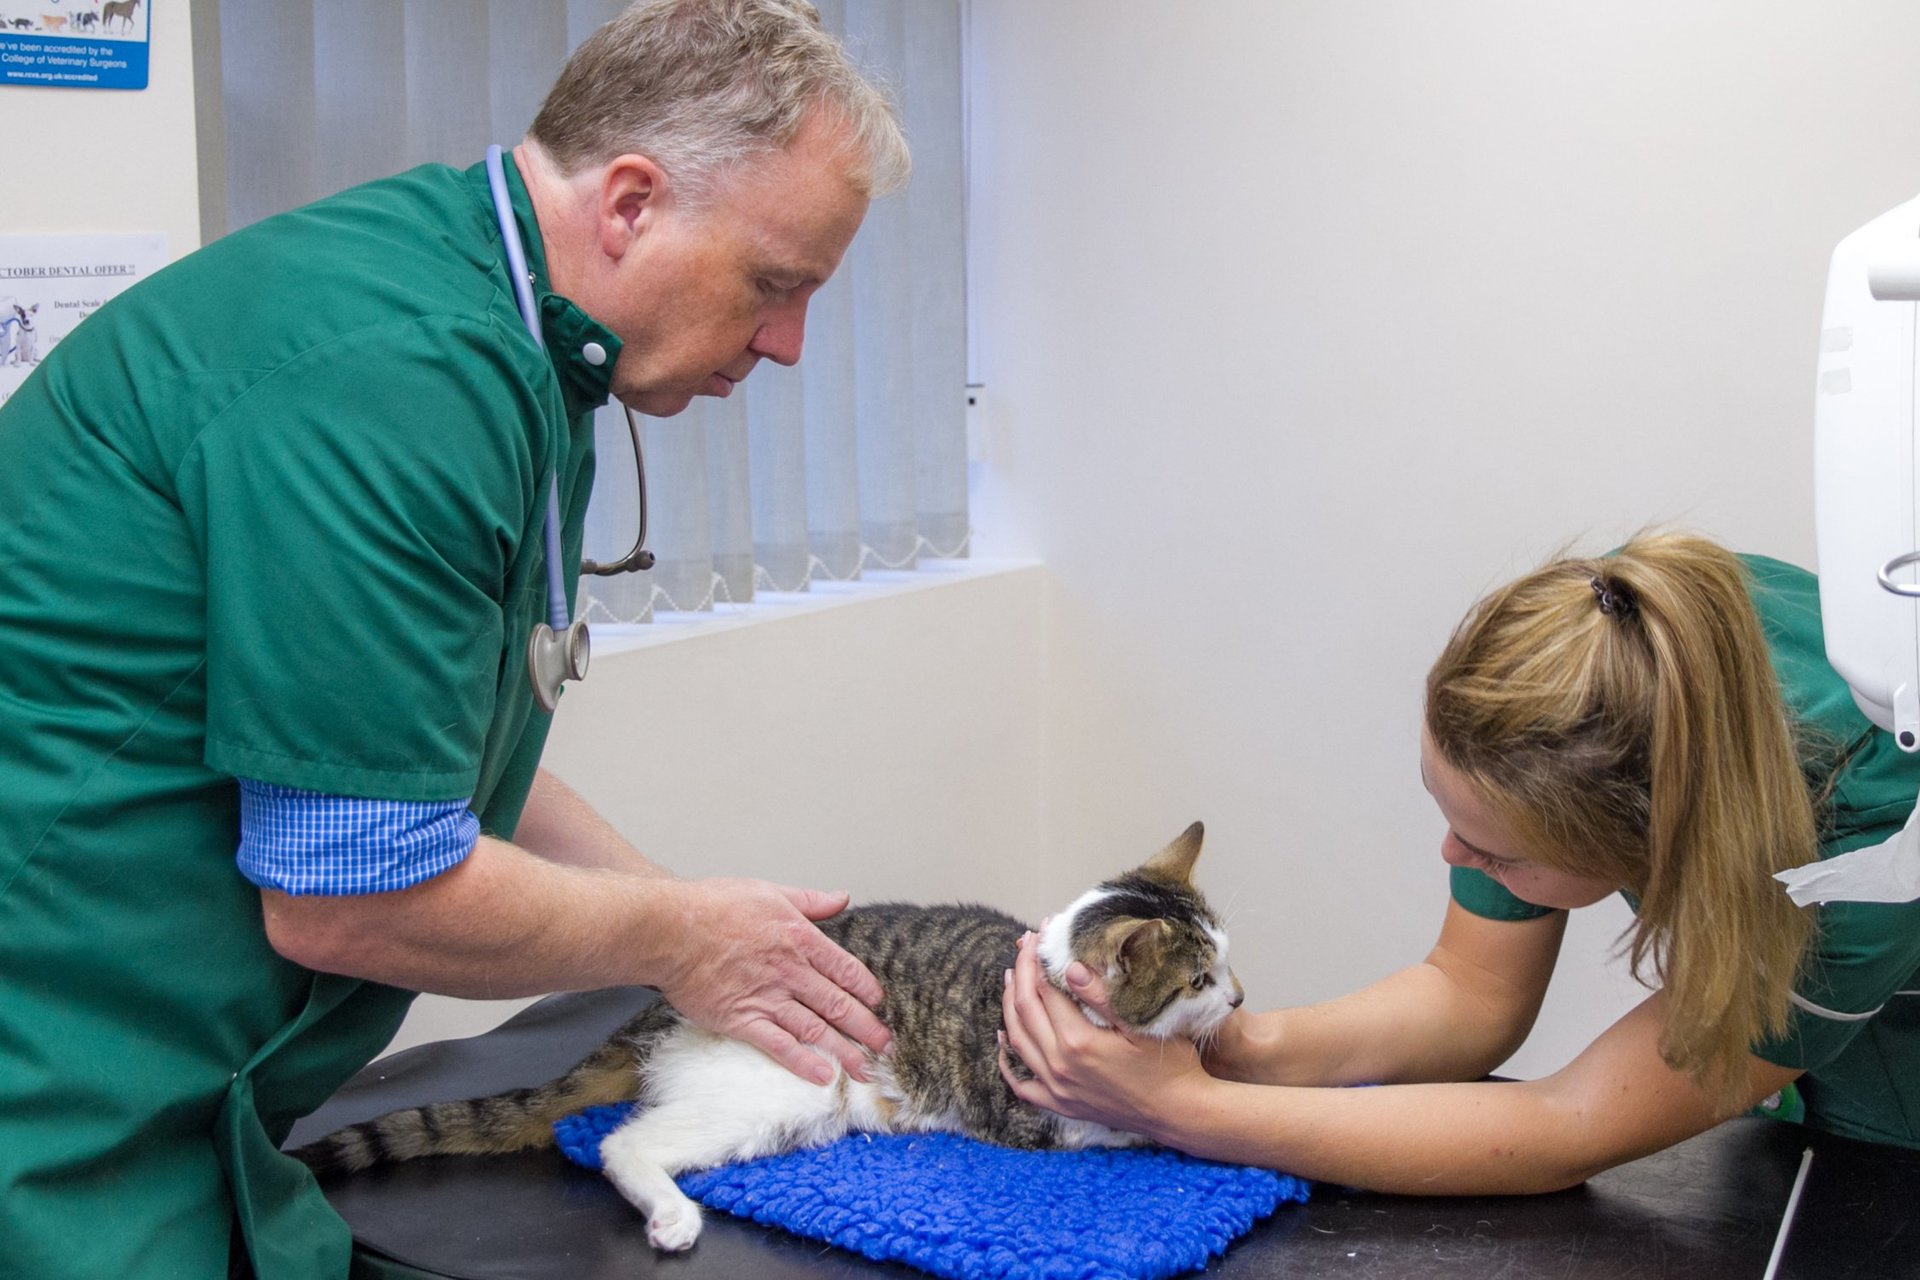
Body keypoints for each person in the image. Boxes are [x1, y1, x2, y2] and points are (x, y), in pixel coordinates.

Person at [0, 2, 909, 1277]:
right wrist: (676, 937)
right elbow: (351, 887)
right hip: (52, 1067)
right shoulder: (400, 374)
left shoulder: (525, 340)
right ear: (632, 203)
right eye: (776, 282)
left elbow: (421, 741)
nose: (790, 344)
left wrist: (698, 929)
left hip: (175, 1075)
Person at [1002, 533, 1920, 1191]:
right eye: (1449, 814)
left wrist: (1188, 1115)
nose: (1455, 853)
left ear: (1653, 833)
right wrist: (1238, 1051)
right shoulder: (1616, 654)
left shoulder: (1864, 852)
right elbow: (1471, 995)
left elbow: (1569, 1126)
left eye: (1492, 853)